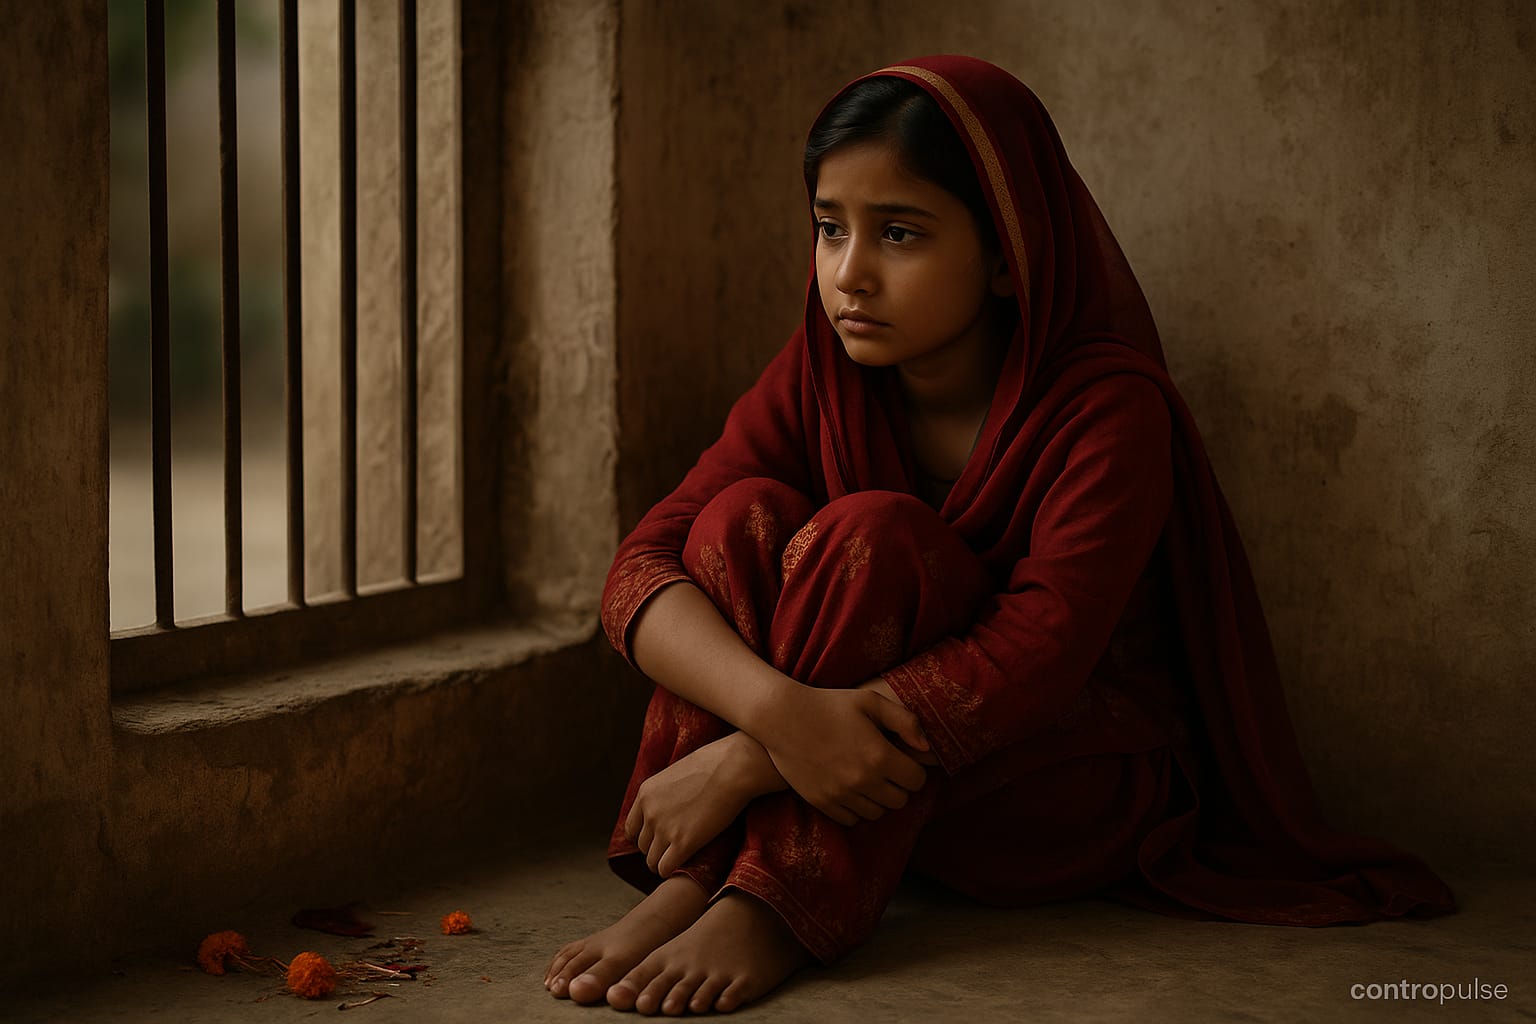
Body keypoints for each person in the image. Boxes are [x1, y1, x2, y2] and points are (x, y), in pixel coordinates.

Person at [543, 55, 1456, 1016]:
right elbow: (640, 569)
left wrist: (746, 761)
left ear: (1006, 255)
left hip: (1058, 786)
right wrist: (784, 717)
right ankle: (698, 881)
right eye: (828, 229)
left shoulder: (1107, 409)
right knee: (738, 520)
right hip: (875, 782)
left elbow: (1035, 658)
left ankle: (768, 904)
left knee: (873, 534)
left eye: (899, 233)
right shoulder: (823, 371)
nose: (848, 273)